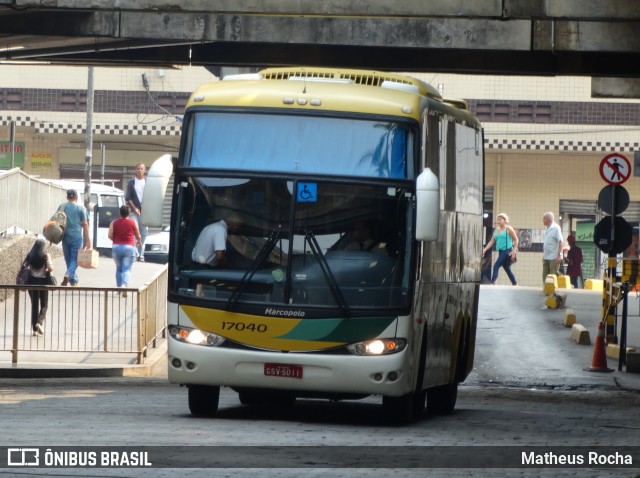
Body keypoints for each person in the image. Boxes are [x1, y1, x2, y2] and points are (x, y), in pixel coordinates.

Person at [108, 205, 142, 296]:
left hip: (116, 247)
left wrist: (116, 240)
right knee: (126, 269)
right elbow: (138, 235)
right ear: (129, 213)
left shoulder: (114, 223)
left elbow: (110, 235)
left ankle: (119, 288)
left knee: (119, 268)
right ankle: (124, 285)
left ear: (120, 213)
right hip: (129, 247)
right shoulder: (133, 222)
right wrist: (139, 242)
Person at [60, 189, 91, 286]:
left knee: (68, 259)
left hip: (65, 237)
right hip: (77, 237)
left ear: (67, 197)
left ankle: (74, 281)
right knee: (75, 259)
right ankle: (68, 274)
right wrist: (88, 240)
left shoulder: (62, 206)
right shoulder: (81, 209)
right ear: (77, 197)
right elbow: (85, 224)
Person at [481, 213, 519, 286]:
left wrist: (514, 251)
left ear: (505, 220)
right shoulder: (496, 230)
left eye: (500, 219)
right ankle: (515, 283)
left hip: (507, 251)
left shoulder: (508, 229)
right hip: (501, 251)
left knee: (496, 265)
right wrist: (485, 249)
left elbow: (516, 240)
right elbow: (492, 241)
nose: (498, 221)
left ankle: (493, 282)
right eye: (497, 220)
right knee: (507, 268)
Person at [25, 239, 53, 336]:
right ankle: (39, 323)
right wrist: (46, 269)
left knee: (34, 305)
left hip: (31, 283)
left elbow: (24, 266)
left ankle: (35, 330)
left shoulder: (30, 255)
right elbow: (50, 268)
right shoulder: (45, 256)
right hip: (43, 283)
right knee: (44, 305)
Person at [125, 162, 148, 262]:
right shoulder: (131, 182)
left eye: (141, 169)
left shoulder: (148, 182)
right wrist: (135, 209)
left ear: (144, 170)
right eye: (138, 168)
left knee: (144, 233)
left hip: (145, 212)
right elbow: (128, 198)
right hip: (133, 212)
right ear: (135, 170)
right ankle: (134, 254)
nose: (139, 170)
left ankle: (141, 254)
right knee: (134, 231)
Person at [542, 211, 564, 285]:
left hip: (554, 257)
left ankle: (554, 291)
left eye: (544, 218)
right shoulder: (547, 229)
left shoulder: (556, 228)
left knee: (552, 276)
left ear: (548, 219)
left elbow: (561, 242)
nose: (543, 220)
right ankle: (546, 290)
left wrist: (559, 254)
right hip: (546, 257)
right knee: (545, 276)